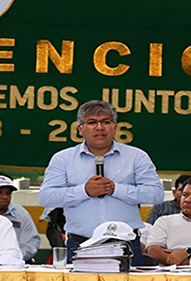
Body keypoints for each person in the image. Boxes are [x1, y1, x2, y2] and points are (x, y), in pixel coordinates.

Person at [38, 100, 164, 265]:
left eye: (106, 122)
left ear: (115, 127)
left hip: (126, 245)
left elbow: (156, 194)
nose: (99, 127)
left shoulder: (136, 157)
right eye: (92, 122)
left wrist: (115, 189)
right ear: (80, 129)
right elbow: (46, 198)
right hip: (80, 243)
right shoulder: (63, 159)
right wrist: (84, 190)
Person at [146, 177, 191, 265]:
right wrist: (170, 259)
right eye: (185, 195)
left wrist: (187, 253)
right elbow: (153, 250)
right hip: (171, 275)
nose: (188, 200)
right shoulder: (164, 221)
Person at [0, 173, 41, 261]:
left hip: (14, 265)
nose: (4, 197)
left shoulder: (21, 214)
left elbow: (30, 244)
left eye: (8, 193)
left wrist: (10, 258)